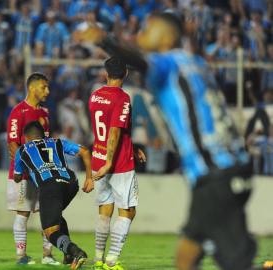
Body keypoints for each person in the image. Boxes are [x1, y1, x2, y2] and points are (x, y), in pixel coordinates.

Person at [97, 12, 256, 270]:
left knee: (229, 263)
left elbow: (142, 63)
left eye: (149, 29)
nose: (141, 34)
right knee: (189, 256)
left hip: (215, 176)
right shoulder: (195, 62)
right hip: (231, 167)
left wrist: (105, 40)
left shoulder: (167, 62)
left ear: (167, 37)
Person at [89, 57, 145, 270]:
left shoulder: (95, 96)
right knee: (128, 210)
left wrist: (131, 146)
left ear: (106, 73)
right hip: (118, 163)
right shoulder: (122, 98)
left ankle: (98, 259)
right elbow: (114, 130)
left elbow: (109, 130)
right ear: (126, 74)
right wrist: (110, 162)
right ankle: (112, 261)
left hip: (98, 157)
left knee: (105, 208)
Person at [13, 121, 94, 270]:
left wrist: (27, 168)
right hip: (71, 182)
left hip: (49, 186)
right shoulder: (57, 142)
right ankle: (68, 257)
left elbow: (17, 177)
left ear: (26, 137)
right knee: (57, 217)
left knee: (50, 232)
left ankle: (76, 252)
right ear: (43, 135)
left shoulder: (22, 150)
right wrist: (89, 178)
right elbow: (85, 151)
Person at [6, 72, 59, 265]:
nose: (48, 91)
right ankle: (21, 256)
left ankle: (47, 255)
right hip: (23, 174)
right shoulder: (18, 112)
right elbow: (12, 144)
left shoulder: (44, 113)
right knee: (23, 213)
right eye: (44, 87)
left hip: (43, 172)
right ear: (31, 88)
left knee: (49, 212)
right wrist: (28, 166)